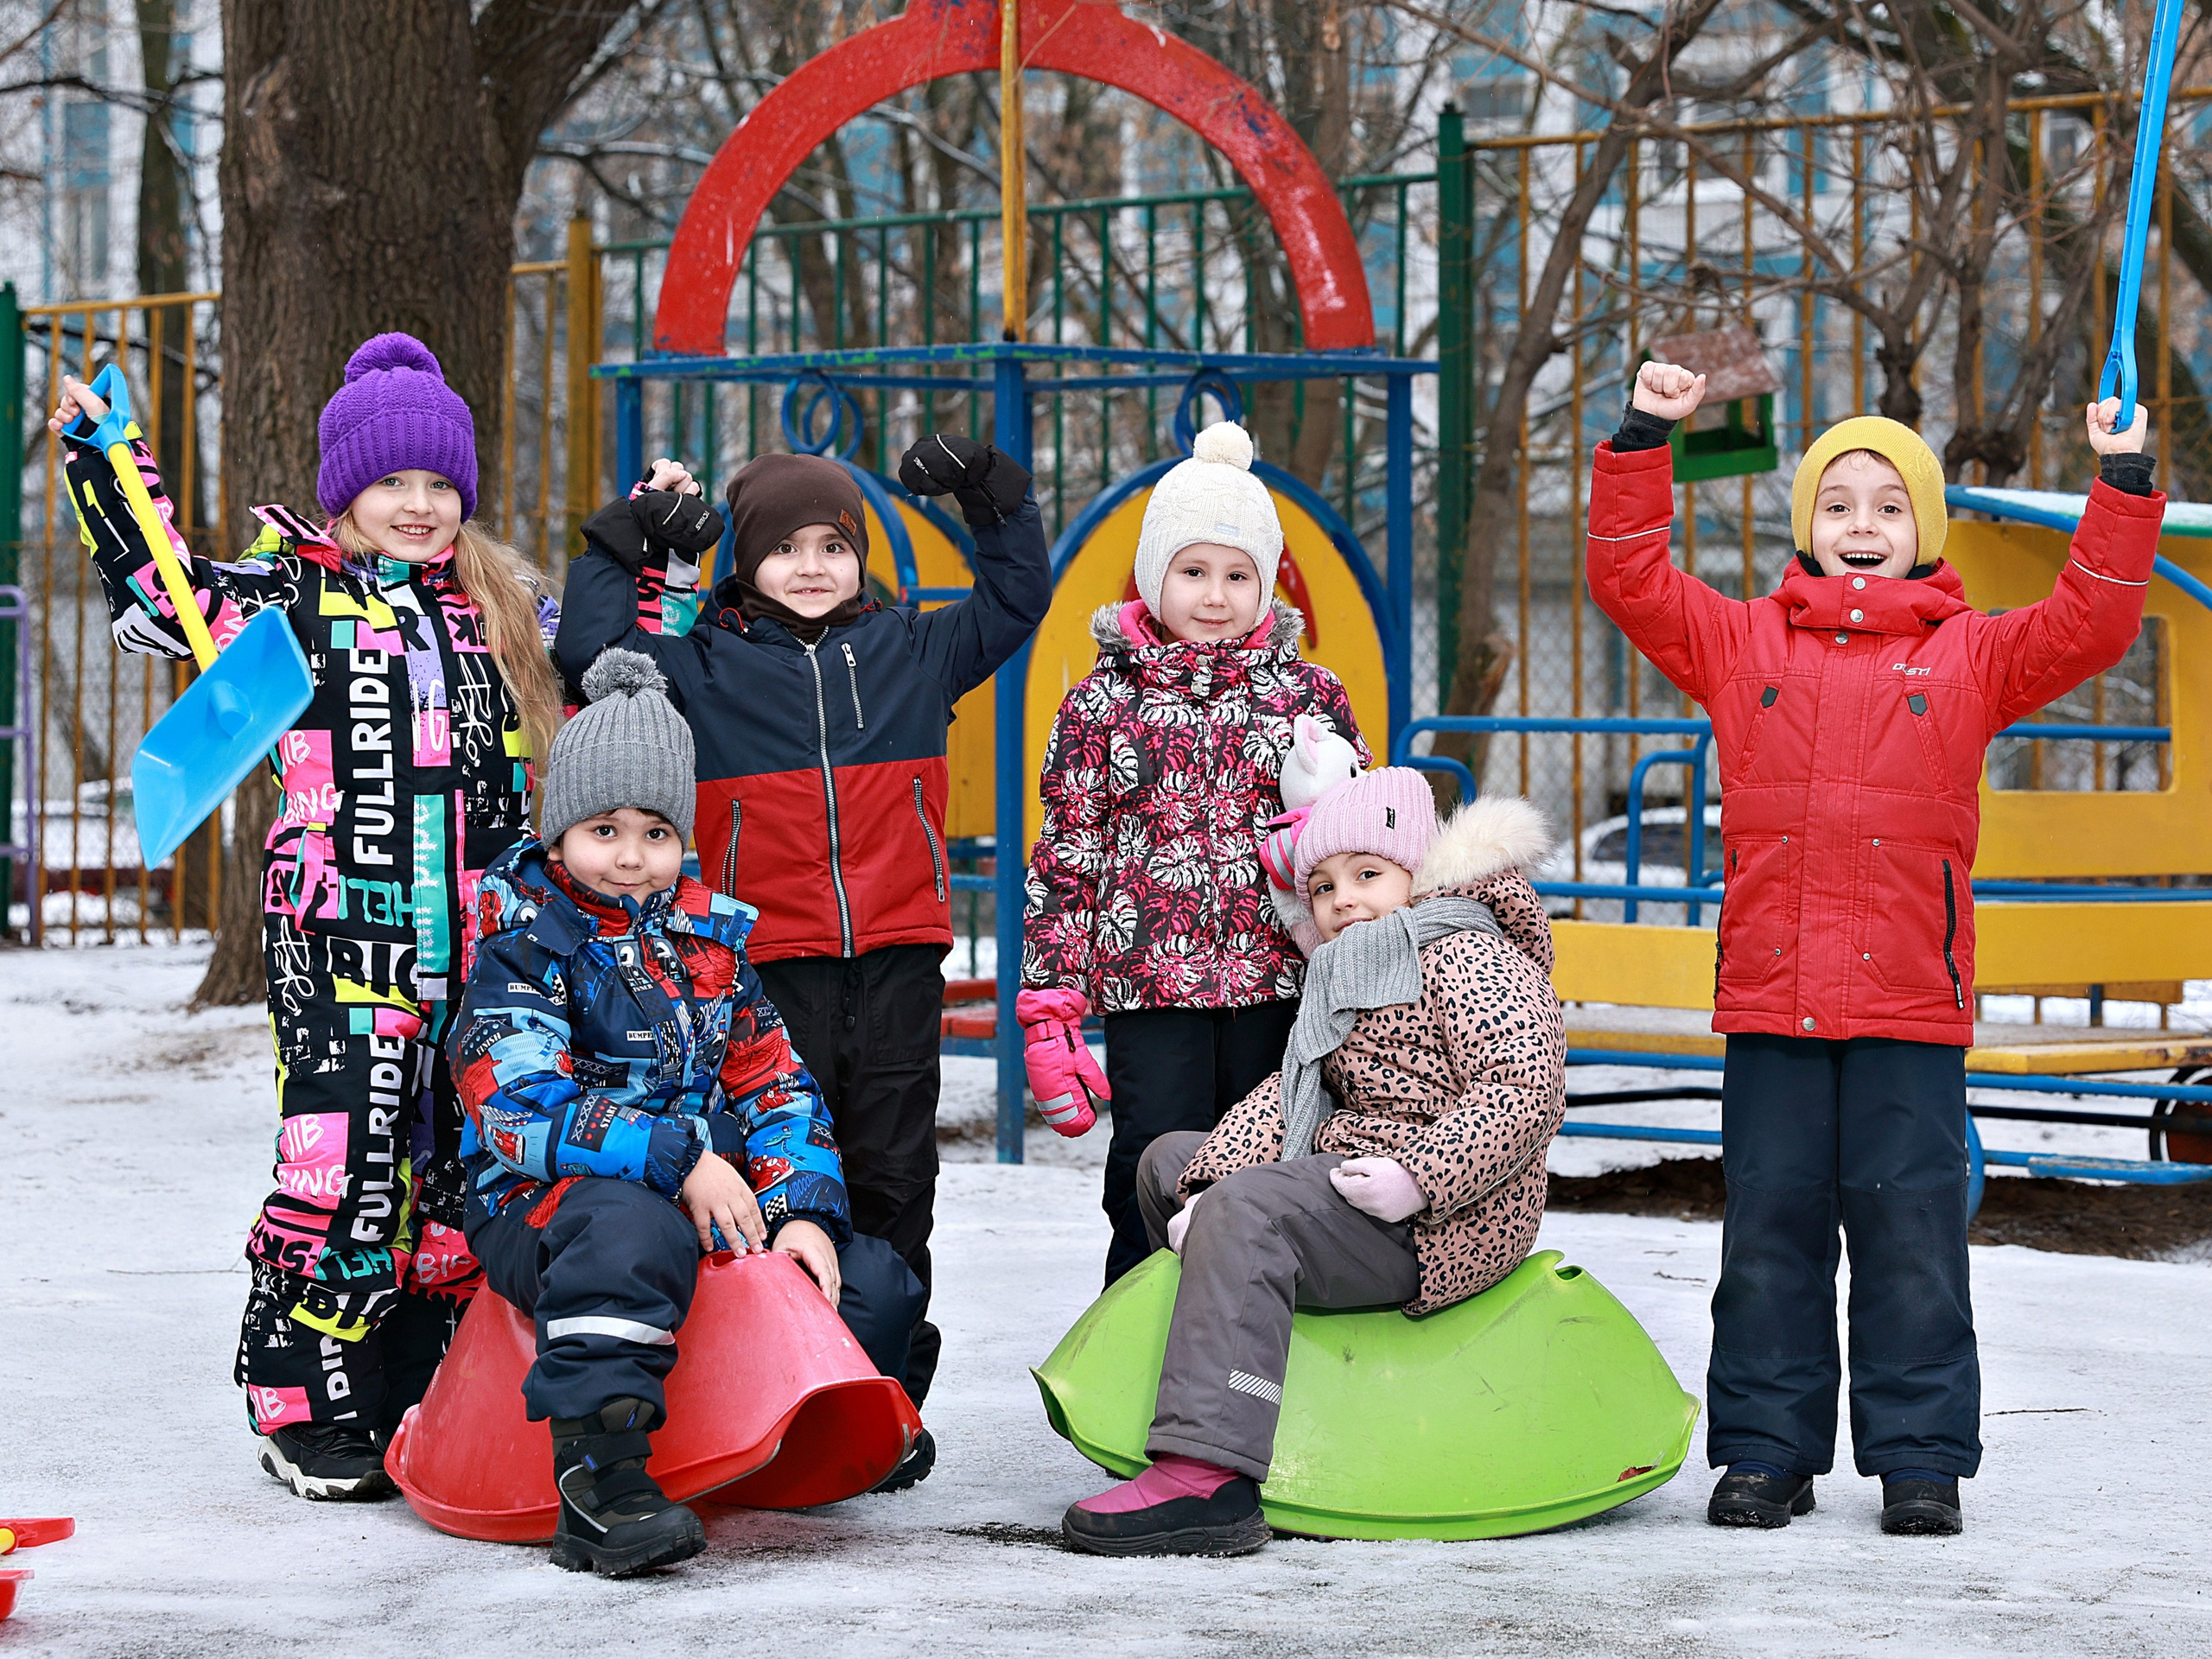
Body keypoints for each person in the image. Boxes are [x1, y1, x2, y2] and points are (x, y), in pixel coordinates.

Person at [1588, 362, 2162, 1536]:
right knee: (1770, 1234)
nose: (1862, 526)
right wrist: (1647, 434)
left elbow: (2094, 619)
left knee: (1913, 1239)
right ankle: (1763, 1452)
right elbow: (1630, 577)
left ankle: (1919, 1458)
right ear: (1808, 528)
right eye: (1838, 504)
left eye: (1888, 506)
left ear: (1923, 531)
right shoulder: (1741, 644)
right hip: (1775, 999)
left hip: (1908, 1001)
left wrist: (2125, 478)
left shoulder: (1973, 656)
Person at [51, 336, 564, 1501]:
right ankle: (301, 1400)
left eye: (440, 486)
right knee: (342, 1173)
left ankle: (415, 1382)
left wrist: (659, 575)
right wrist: (106, 452)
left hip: (483, 952)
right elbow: (160, 580)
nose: (420, 506)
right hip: (343, 947)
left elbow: (609, 683)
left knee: (453, 1173)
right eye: (395, 485)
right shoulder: (284, 599)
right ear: (349, 491)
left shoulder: (502, 609)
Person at [554, 431, 1050, 1484]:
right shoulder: (700, 664)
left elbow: (1015, 602)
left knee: (894, 1182)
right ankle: (774, 1389)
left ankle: (884, 1400)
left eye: (834, 544)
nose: (813, 565)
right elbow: (590, 657)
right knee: (786, 1186)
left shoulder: (916, 651)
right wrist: (626, 534)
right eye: (786, 547)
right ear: (746, 562)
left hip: (900, 961)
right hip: (763, 978)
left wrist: (991, 497)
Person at [453, 648, 925, 1578]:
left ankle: (814, 1432)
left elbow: (776, 1084)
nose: (630, 856)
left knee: (868, 1279)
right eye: (603, 829)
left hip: (694, 1199)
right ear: (559, 838)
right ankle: (602, 1475)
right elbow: (515, 1104)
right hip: (546, 1210)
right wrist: (679, 1160)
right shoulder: (524, 951)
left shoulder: (708, 948)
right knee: (629, 1232)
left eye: (656, 832)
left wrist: (801, 1214)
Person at [1061, 770, 1565, 1556]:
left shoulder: (1465, 954)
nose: (1344, 900)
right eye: (1323, 886)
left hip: (1449, 1219)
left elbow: (1523, 1088)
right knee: (1168, 1161)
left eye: (1369, 875)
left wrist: (1420, 1178)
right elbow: (1288, 1095)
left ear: (1421, 872)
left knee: (1248, 1210)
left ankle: (1207, 1476)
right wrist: (1206, 1186)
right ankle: (1239, 1383)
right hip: (1357, 1182)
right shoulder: (1350, 970)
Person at [1021, 421, 1370, 1286]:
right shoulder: (1101, 702)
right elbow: (1070, 850)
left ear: (1264, 585)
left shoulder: (1308, 696)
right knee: (1152, 1158)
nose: (1213, 595)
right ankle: (1138, 1332)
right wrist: (1051, 999)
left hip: (1275, 979)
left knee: (1270, 1160)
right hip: (1151, 985)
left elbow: (1354, 839)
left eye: (1236, 575)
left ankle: (1254, 1346)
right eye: (1193, 571)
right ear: (1154, 576)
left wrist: (1359, 952)